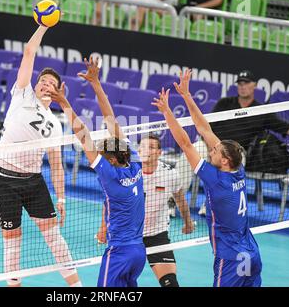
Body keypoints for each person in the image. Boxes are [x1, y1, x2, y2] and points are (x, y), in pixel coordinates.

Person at [152, 69, 262, 287]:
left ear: (224, 161)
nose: (211, 150)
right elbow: (204, 129)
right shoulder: (238, 170)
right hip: (252, 251)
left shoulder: (216, 180)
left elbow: (185, 143)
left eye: (215, 151)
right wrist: (186, 95)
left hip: (231, 259)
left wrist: (167, 112)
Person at [0, 25, 81, 287]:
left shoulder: (55, 124)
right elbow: (29, 51)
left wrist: (61, 197)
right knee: (12, 241)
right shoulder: (22, 94)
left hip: (34, 182)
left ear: (57, 92)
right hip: (6, 179)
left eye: (51, 84)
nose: (45, 84)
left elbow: (56, 165)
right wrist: (43, 25)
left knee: (54, 238)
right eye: (43, 80)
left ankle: (77, 287)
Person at [50, 56, 146, 287]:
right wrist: (96, 83)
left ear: (111, 159)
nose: (98, 155)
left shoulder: (109, 175)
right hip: (139, 253)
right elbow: (111, 120)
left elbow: (82, 134)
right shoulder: (135, 165)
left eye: (103, 154)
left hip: (119, 253)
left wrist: (64, 104)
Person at [179, 70, 289, 216]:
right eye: (240, 83)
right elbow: (206, 126)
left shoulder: (261, 111)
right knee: (188, 155)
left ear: (254, 86)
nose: (242, 86)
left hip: (236, 153)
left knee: (231, 166)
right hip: (210, 144)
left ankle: (212, 205)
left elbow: (286, 127)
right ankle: (174, 201)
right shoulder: (224, 103)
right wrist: (211, 148)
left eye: (246, 83)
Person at [138, 134, 196, 287]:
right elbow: (110, 202)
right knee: (119, 282)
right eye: (143, 147)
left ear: (159, 152)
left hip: (157, 234)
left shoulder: (170, 174)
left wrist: (188, 222)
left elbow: (180, 199)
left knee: (170, 283)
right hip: (130, 235)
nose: (146, 151)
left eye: (151, 147)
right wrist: (104, 228)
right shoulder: (129, 173)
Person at [96, 0, 182, 30]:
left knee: (141, 7)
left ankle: (129, 38)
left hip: (163, 8)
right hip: (143, 1)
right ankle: (93, 28)